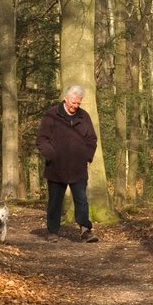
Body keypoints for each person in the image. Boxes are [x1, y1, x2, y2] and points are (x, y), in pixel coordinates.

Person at [36, 84, 100, 243]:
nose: (76, 106)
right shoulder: (51, 115)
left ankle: (85, 230)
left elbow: (92, 139)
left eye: (79, 103)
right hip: (56, 167)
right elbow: (41, 139)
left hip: (78, 168)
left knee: (81, 200)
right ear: (66, 99)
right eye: (74, 102)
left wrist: (86, 155)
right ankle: (52, 232)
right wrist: (51, 154)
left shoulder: (84, 116)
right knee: (55, 202)